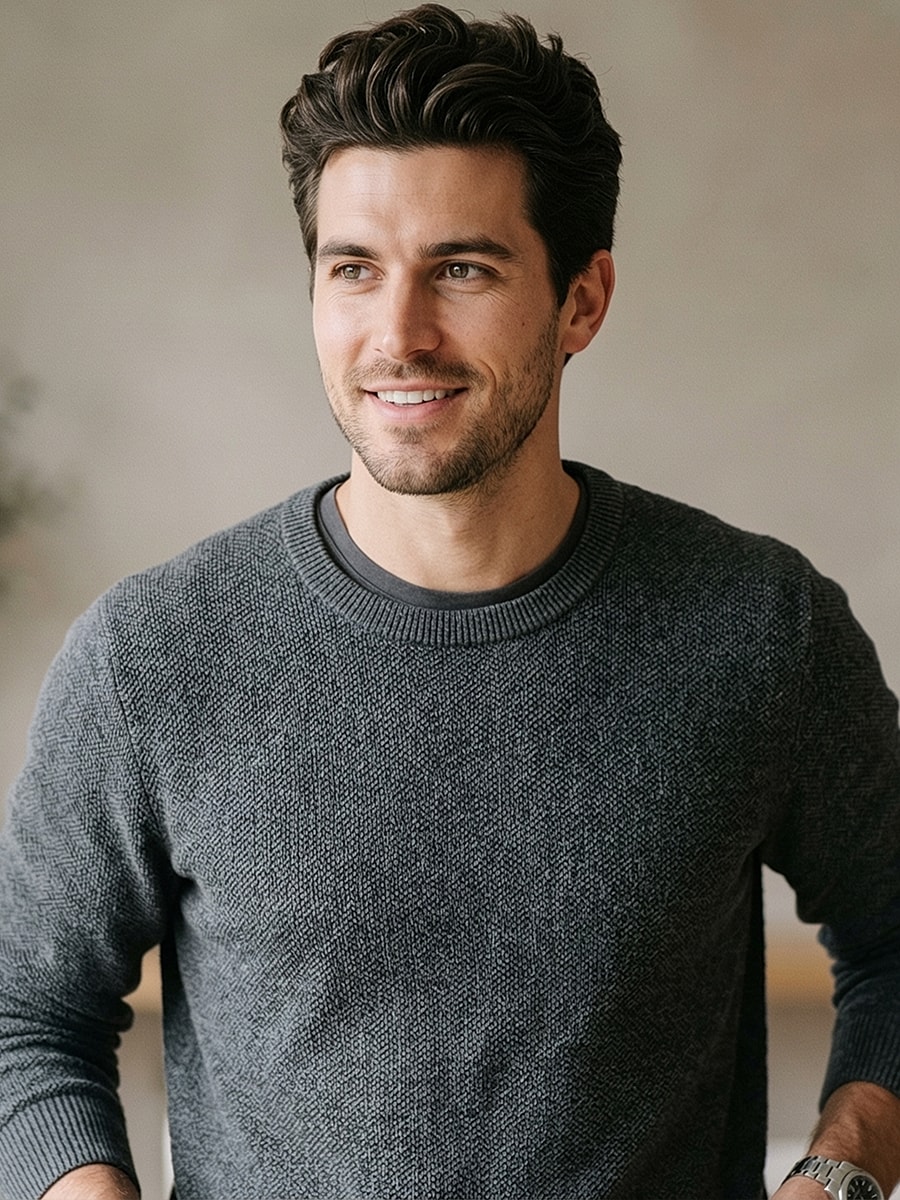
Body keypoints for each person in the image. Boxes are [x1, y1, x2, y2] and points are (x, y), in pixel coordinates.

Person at [1, 5, 898, 1198]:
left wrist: (836, 1178)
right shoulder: (151, 656)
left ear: (583, 300)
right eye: (354, 270)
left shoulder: (760, 631)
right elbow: (25, 1018)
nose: (398, 334)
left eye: (462, 269)